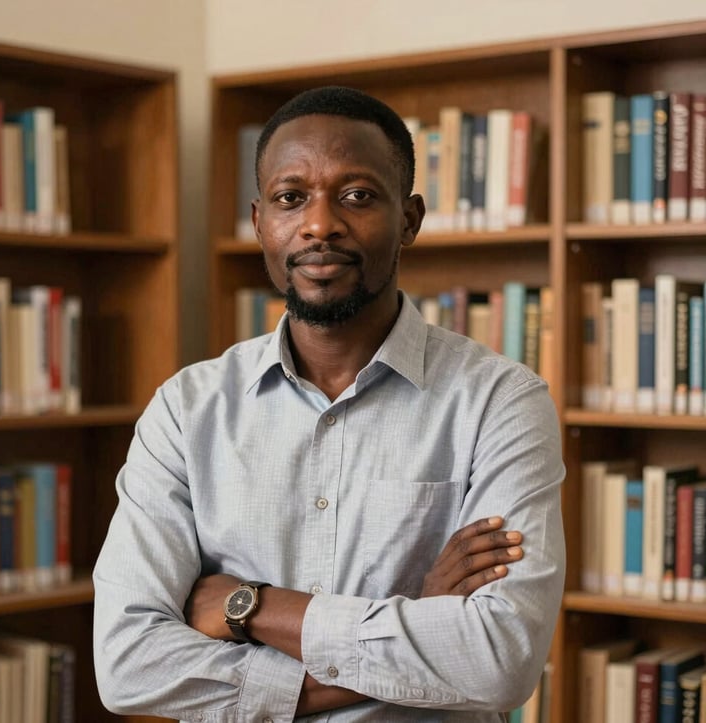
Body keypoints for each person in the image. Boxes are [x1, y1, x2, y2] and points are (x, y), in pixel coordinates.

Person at [93, 85, 565, 722]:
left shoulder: (500, 402)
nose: (320, 224)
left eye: (357, 196)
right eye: (292, 199)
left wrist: (251, 607)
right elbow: (128, 665)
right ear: (260, 222)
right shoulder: (186, 410)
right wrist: (418, 626)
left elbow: (501, 660)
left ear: (410, 219)